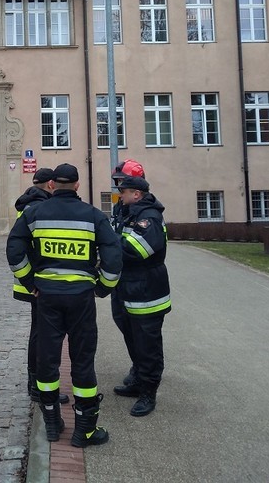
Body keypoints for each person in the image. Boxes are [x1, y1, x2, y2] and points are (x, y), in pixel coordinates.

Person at [7, 163, 121, 447]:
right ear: (78, 185)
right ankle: (85, 430)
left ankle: (53, 423)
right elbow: (114, 257)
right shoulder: (94, 216)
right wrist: (103, 288)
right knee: (83, 360)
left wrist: (29, 281)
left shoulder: (34, 213)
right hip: (81, 297)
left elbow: (14, 249)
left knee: (48, 359)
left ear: (53, 185)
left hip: (47, 296)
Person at [112, 175, 171, 417]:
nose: (120, 195)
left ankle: (148, 393)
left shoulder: (150, 218)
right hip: (129, 288)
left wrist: (109, 242)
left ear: (136, 194)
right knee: (133, 337)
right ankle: (137, 380)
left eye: (123, 192)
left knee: (148, 344)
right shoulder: (129, 213)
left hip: (146, 292)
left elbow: (137, 250)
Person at [13, 168, 69, 405]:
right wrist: (33, 281)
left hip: (31, 281)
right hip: (39, 282)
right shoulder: (36, 208)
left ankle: (33, 382)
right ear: (49, 185)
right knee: (41, 333)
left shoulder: (29, 204)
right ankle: (37, 385)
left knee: (38, 331)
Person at [109, 159, 146, 388]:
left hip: (138, 281)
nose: (119, 189)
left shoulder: (145, 213)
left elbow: (140, 248)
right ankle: (138, 366)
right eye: (118, 183)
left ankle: (144, 374)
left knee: (142, 331)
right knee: (123, 322)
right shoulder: (120, 208)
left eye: (123, 183)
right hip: (121, 279)